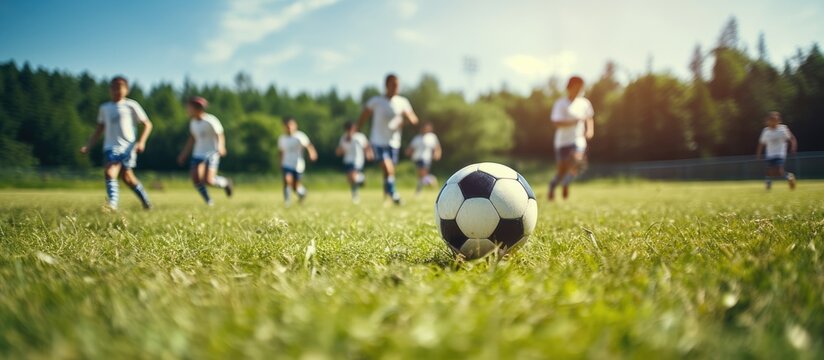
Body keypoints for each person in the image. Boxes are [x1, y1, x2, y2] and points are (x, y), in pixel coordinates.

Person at [80, 76, 153, 211]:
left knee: (128, 178)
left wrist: (141, 142)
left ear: (127, 90)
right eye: (113, 87)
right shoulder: (105, 108)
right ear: (109, 90)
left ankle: (146, 202)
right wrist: (88, 145)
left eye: (120, 87)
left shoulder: (131, 105)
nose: (116, 90)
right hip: (111, 147)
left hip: (128, 148)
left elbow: (147, 124)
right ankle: (112, 204)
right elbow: (99, 129)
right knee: (110, 172)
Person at [357, 73, 419, 205]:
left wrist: (404, 120)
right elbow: (364, 115)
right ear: (386, 85)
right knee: (387, 166)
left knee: (389, 172)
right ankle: (394, 194)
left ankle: (386, 196)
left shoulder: (402, 102)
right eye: (393, 84)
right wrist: (358, 128)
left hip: (394, 142)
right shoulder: (376, 101)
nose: (396, 87)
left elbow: (414, 119)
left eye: (397, 85)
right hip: (378, 141)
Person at [176, 96, 234, 205]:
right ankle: (209, 201)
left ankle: (225, 182)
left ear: (198, 108)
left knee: (208, 180)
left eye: (189, 108)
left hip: (211, 153)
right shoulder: (193, 123)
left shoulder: (210, 120)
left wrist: (221, 146)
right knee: (195, 178)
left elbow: (219, 134)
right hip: (198, 153)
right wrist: (184, 153)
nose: (187, 110)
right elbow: (192, 138)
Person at [548, 76, 594, 201]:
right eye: (576, 87)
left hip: (578, 140)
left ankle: (566, 183)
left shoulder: (585, 103)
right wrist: (574, 121)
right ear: (569, 88)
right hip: (562, 142)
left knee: (577, 163)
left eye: (581, 87)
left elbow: (589, 118)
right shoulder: (560, 104)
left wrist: (590, 130)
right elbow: (556, 123)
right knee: (561, 171)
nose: (579, 90)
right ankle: (553, 185)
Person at [278, 117, 317, 205]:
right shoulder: (282, 138)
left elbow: (308, 145)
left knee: (295, 186)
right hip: (286, 163)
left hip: (298, 165)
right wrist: (280, 162)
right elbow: (281, 151)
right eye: (287, 126)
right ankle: (287, 202)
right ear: (284, 127)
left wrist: (312, 153)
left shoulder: (300, 136)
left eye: (291, 126)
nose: (289, 128)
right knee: (287, 180)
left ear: (295, 126)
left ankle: (302, 193)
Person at [756, 111, 797, 190]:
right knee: (770, 171)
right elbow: (761, 143)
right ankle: (770, 182)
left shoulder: (783, 129)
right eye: (771, 120)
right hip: (770, 154)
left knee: (779, 170)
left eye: (775, 120)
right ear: (768, 121)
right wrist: (758, 154)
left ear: (778, 121)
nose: (773, 122)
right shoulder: (766, 131)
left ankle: (789, 177)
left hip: (780, 153)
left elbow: (792, 138)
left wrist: (793, 147)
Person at [336, 122, 374, 203]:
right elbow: (340, 148)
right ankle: (355, 195)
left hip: (357, 160)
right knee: (350, 180)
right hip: (347, 160)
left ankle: (361, 178)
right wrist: (339, 151)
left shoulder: (359, 137)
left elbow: (366, 146)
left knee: (353, 177)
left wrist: (369, 153)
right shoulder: (344, 138)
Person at [406, 122, 442, 195]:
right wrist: (408, 152)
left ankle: (432, 180)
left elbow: (437, 147)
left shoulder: (432, 137)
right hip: (417, 158)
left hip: (426, 158)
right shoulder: (417, 138)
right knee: (421, 176)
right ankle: (419, 190)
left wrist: (437, 153)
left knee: (423, 174)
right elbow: (411, 148)